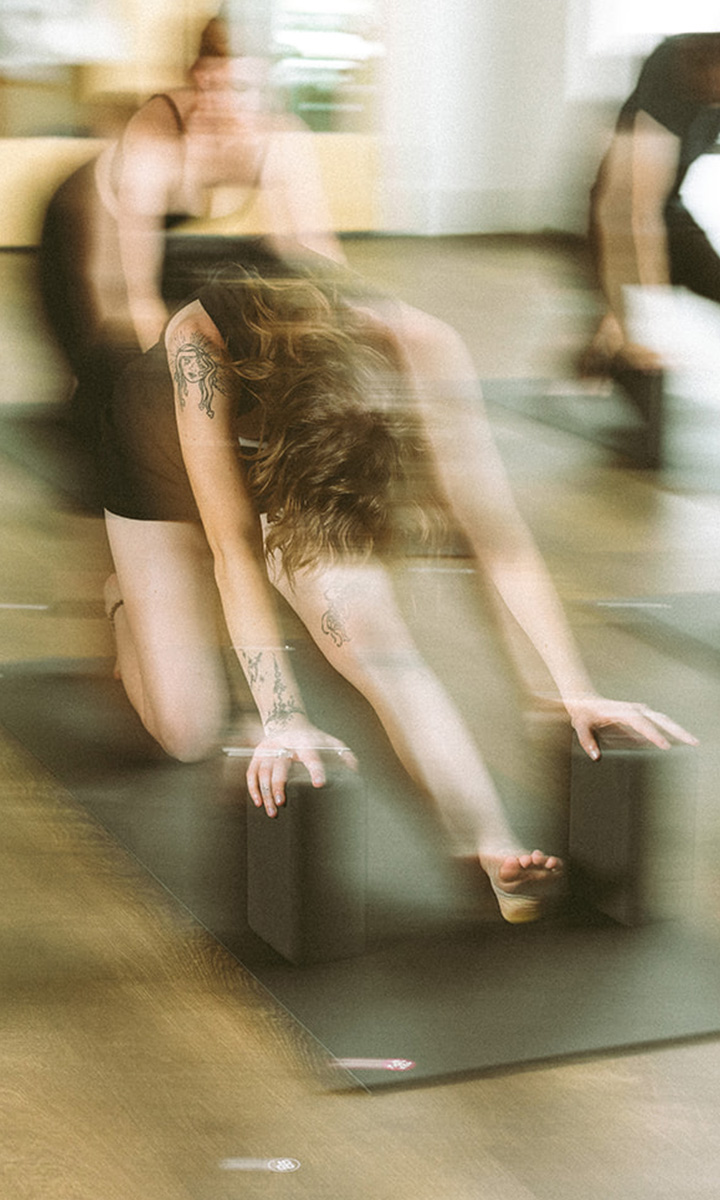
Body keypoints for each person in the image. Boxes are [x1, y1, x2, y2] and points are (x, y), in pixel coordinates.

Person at [98, 258, 696, 925]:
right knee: (184, 731)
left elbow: (494, 536)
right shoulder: (198, 347)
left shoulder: (424, 348)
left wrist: (564, 686)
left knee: (372, 641)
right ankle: (124, 600)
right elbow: (234, 548)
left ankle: (485, 848)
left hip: (303, 465)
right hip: (152, 462)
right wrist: (282, 715)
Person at [38, 7, 345, 456]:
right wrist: (170, 392)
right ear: (200, 78)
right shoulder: (157, 140)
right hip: (76, 224)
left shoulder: (278, 138)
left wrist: (358, 327)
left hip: (165, 235)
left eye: (248, 88)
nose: (232, 103)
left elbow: (311, 248)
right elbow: (129, 286)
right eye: (217, 85)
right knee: (109, 374)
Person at [583, 32, 720, 376]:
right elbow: (627, 213)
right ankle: (607, 343)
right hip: (609, 216)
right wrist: (642, 329)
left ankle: (602, 342)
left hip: (668, 213)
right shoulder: (677, 64)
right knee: (642, 360)